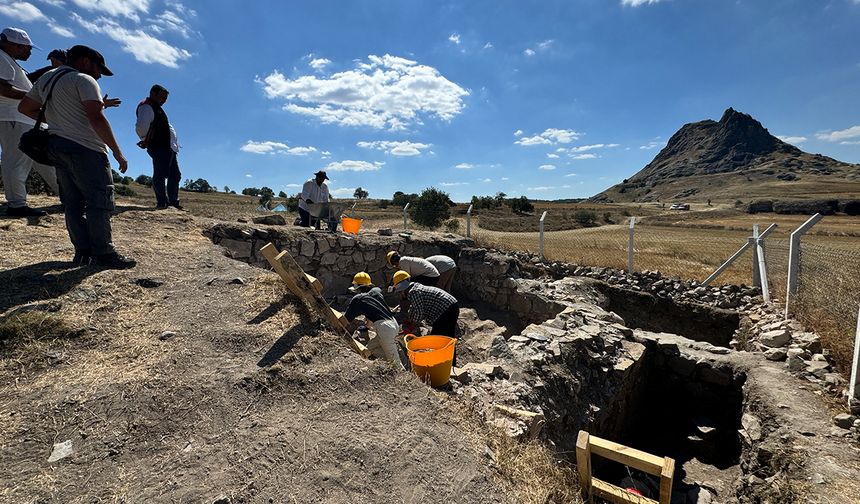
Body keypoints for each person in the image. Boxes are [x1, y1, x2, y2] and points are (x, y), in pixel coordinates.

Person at [18, 45, 135, 269]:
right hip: (86, 149)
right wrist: (118, 152)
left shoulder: (48, 78)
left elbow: (25, 107)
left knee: (72, 202)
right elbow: (96, 118)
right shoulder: (84, 80)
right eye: (99, 69)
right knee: (99, 200)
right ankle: (103, 253)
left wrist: (56, 121)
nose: (99, 75)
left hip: (57, 146)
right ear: (85, 62)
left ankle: (82, 252)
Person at [0, 27, 59, 216]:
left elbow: (16, 84)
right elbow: (4, 89)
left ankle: (68, 197)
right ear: (16, 45)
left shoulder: (8, 60)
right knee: (16, 161)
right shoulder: (1, 58)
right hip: (13, 117)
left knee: (45, 160)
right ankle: (17, 205)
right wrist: (38, 98)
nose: (30, 51)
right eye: (27, 48)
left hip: (24, 118)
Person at [344, 272, 405, 371]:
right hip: (393, 323)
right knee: (369, 349)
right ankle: (387, 361)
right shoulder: (376, 292)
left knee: (396, 363)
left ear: (358, 288)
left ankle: (404, 378)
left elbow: (346, 319)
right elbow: (375, 291)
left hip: (385, 328)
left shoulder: (358, 299)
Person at [136, 84, 181, 210]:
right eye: (162, 97)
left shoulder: (156, 107)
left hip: (169, 147)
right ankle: (162, 202)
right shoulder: (147, 106)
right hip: (159, 146)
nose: (164, 101)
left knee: (175, 175)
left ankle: (173, 202)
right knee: (160, 174)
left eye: (165, 99)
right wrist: (146, 140)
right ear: (153, 93)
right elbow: (141, 126)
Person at [391, 270, 459, 338]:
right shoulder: (415, 288)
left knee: (437, 336)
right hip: (451, 306)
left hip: (447, 309)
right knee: (447, 335)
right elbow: (414, 307)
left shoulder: (414, 292)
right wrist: (410, 319)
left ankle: (444, 348)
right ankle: (449, 348)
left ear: (402, 289)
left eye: (400, 292)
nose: (400, 295)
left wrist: (413, 325)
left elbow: (419, 312)